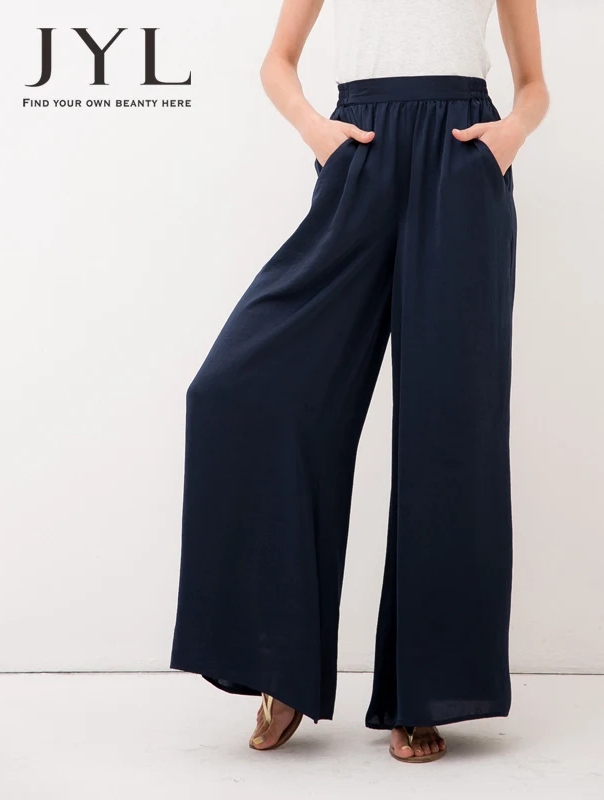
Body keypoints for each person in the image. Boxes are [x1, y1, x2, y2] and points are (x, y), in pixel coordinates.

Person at [170, 0, 548, 763]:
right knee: (234, 390)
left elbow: (534, 84)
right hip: (360, 155)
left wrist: (507, 137)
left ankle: (424, 690)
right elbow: (277, 62)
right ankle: (279, 663)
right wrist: (319, 132)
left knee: (449, 426)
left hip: (461, 160)